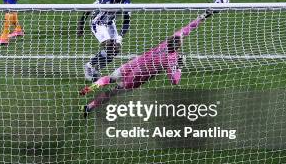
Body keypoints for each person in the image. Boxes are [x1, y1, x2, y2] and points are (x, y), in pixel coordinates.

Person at [80, 9, 216, 117]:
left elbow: (188, 28)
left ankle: (89, 88)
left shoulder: (166, 43)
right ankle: (90, 106)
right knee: (112, 92)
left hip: (134, 63)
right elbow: (174, 81)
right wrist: (179, 67)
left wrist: (205, 14)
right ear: (178, 46)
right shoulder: (171, 60)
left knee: (110, 78)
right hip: (137, 78)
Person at [77, 0, 131, 80]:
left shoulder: (126, 2)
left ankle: (96, 69)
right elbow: (88, 10)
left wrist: (119, 38)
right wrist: (81, 24)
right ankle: (89, 66)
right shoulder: (105, 0)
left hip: (110, 23)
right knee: (109, 45)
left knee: (115, 50)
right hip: (98, 23)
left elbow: (127, 21)